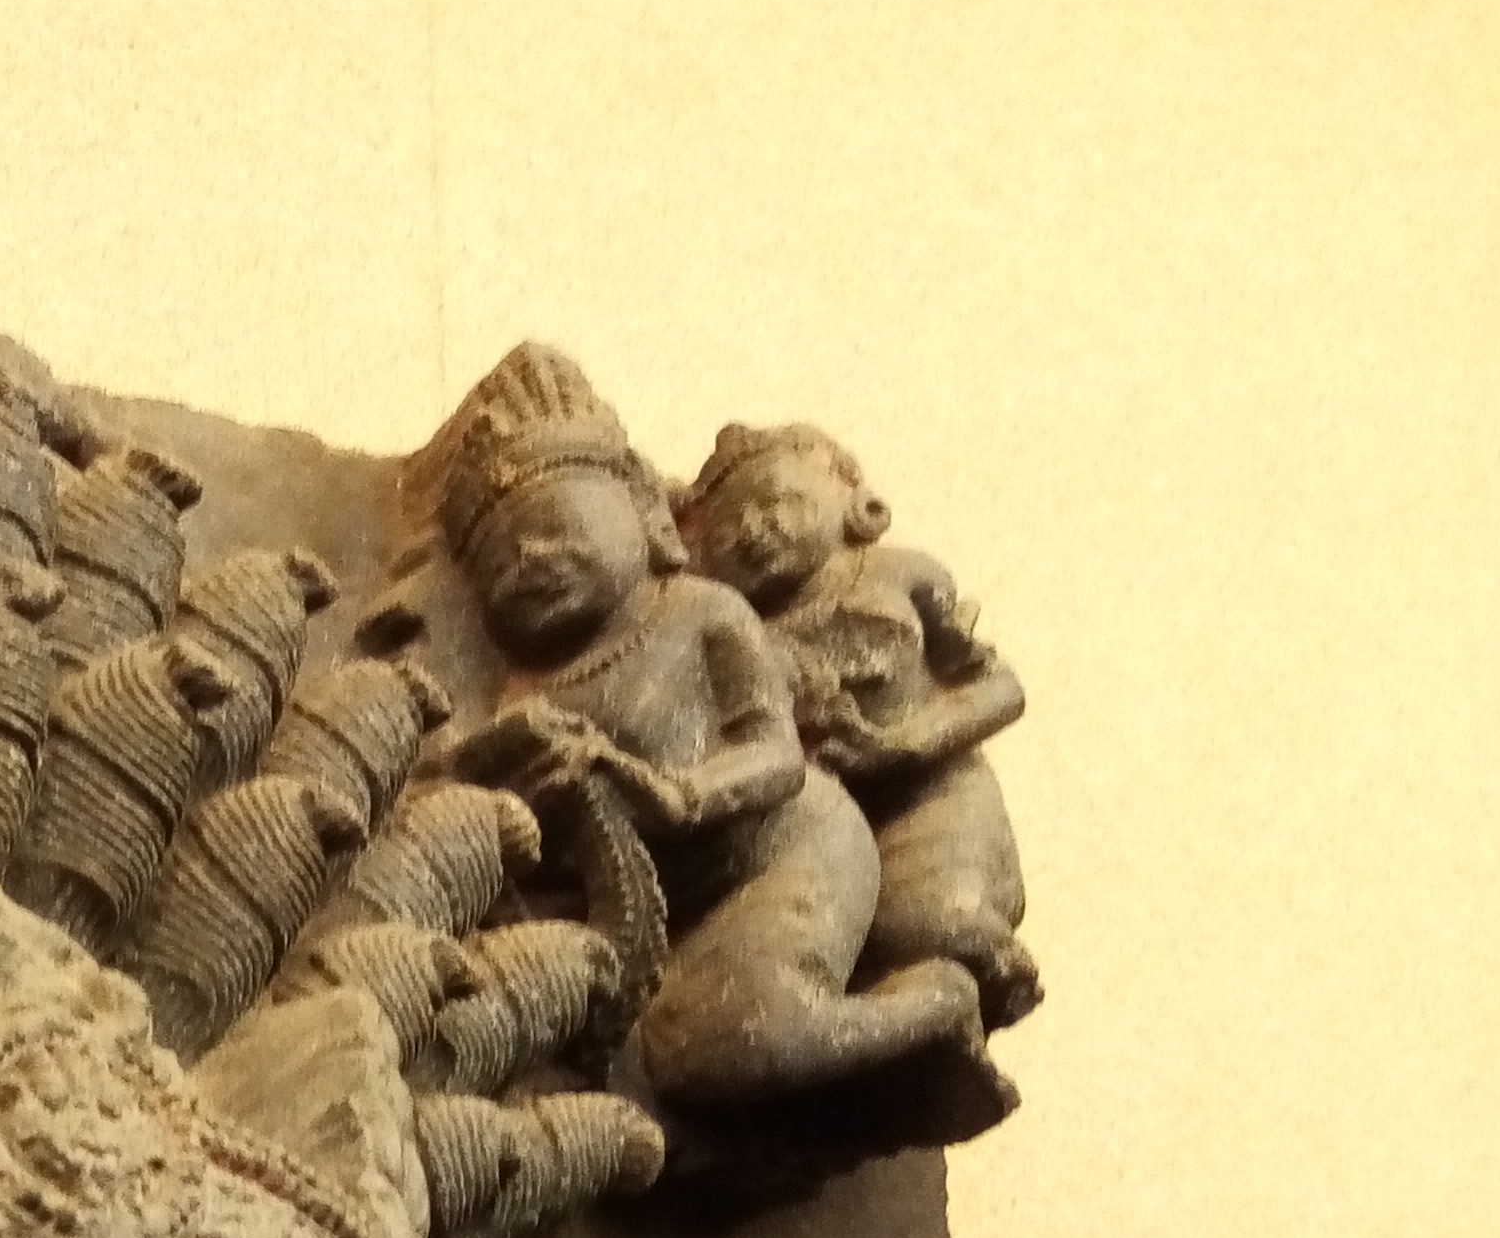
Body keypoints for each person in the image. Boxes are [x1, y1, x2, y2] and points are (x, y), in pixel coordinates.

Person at [422, 343, 1002, 1133]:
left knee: (727, 1043)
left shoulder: (700, 615)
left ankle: (933, 1006)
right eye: (497, 562)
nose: (529, 560)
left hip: (788, 850)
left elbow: (775, 756)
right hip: (658, 910)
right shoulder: (522, 696)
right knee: (671, 1056)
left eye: (554, 527)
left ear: (644, 519)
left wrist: (677, 795)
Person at [680, 420, 1039, 1025]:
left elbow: (1000, 688)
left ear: (857, 506)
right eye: (728, 528)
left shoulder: (903, 576)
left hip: (934, 800)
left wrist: (906, 745)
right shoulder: (735, 639)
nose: (755, 531)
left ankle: (990, 972)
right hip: (826, 836)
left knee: (936, 928)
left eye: (780, 504)